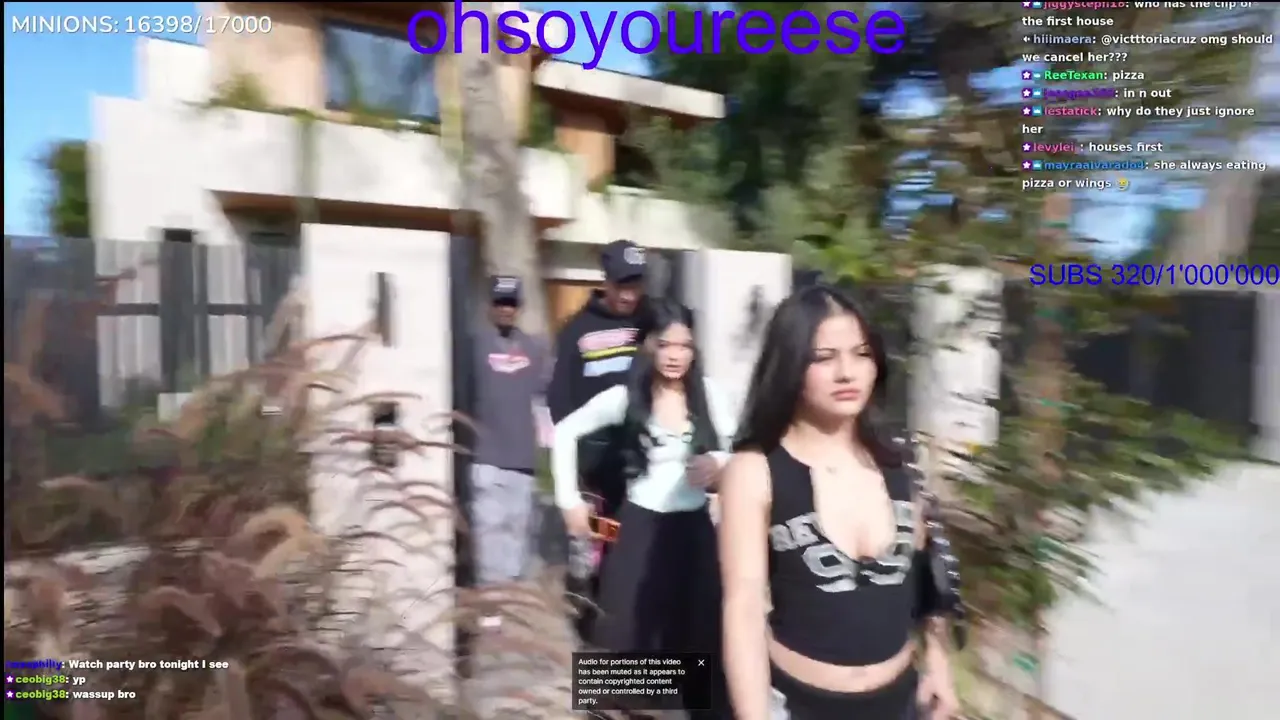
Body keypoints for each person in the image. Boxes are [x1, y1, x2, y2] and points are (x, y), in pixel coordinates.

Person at [717, 284, 960, 720]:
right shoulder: (755, 471)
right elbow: (744, 609)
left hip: (902, 703)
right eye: (823, 357)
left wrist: (939, 663)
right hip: (801, 706)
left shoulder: (899, 460)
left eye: (861, 353)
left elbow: (929, 573)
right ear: (790, 364)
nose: (847, 373)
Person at [551, 299, 734, 718]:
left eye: (684, 346)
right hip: (639, 527)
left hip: (693, 530)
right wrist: (568, 501)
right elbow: (565, 432)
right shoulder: (625, 397)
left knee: (699, 634)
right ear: (647, 344)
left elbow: (741, 450)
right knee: (623, 635)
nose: (674, 355)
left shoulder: (710, 395)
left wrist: (719, 462)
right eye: (664, 344)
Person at [545, 239, 649, 638]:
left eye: (635, 284)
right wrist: (577, 463)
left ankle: (627, 627)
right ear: (605, 281)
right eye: (621, 284)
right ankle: (592, 632)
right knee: (598, 546)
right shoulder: (577, 331)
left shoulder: (650, 321)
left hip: (639, 460)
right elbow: (560, 402)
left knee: (635, 547)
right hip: (595, 466)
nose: (628, 294)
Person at [469, 275, 551, 626]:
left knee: (517, 541)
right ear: (490, 305)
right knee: (489, 536)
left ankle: (509, 606)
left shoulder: (535, 349)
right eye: (500, 302)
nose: (506, 309)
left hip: (524, 462)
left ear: (519, 307)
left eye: (511, 303)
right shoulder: (473, 345)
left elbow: (547, 399)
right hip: (486, 459)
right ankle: (491, 610)